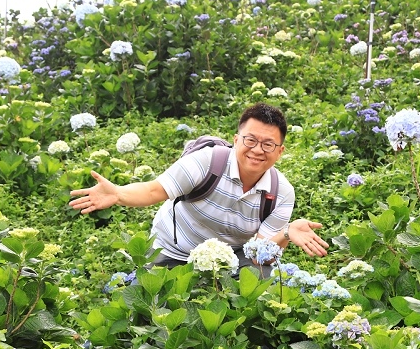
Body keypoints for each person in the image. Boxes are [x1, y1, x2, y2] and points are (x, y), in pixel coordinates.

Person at [69, 103, 329, 275]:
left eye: (268, 144)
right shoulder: (207, 162)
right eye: (250, 140)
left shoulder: (281, 192)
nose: (258, 150)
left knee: (258, 283)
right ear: (236, 140)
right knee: (149, 308)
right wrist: (118, 193)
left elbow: (258, 256)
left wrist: (285, 233)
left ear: (280, 151)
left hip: (232, 257)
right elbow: (152, 191)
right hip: (175, 249)